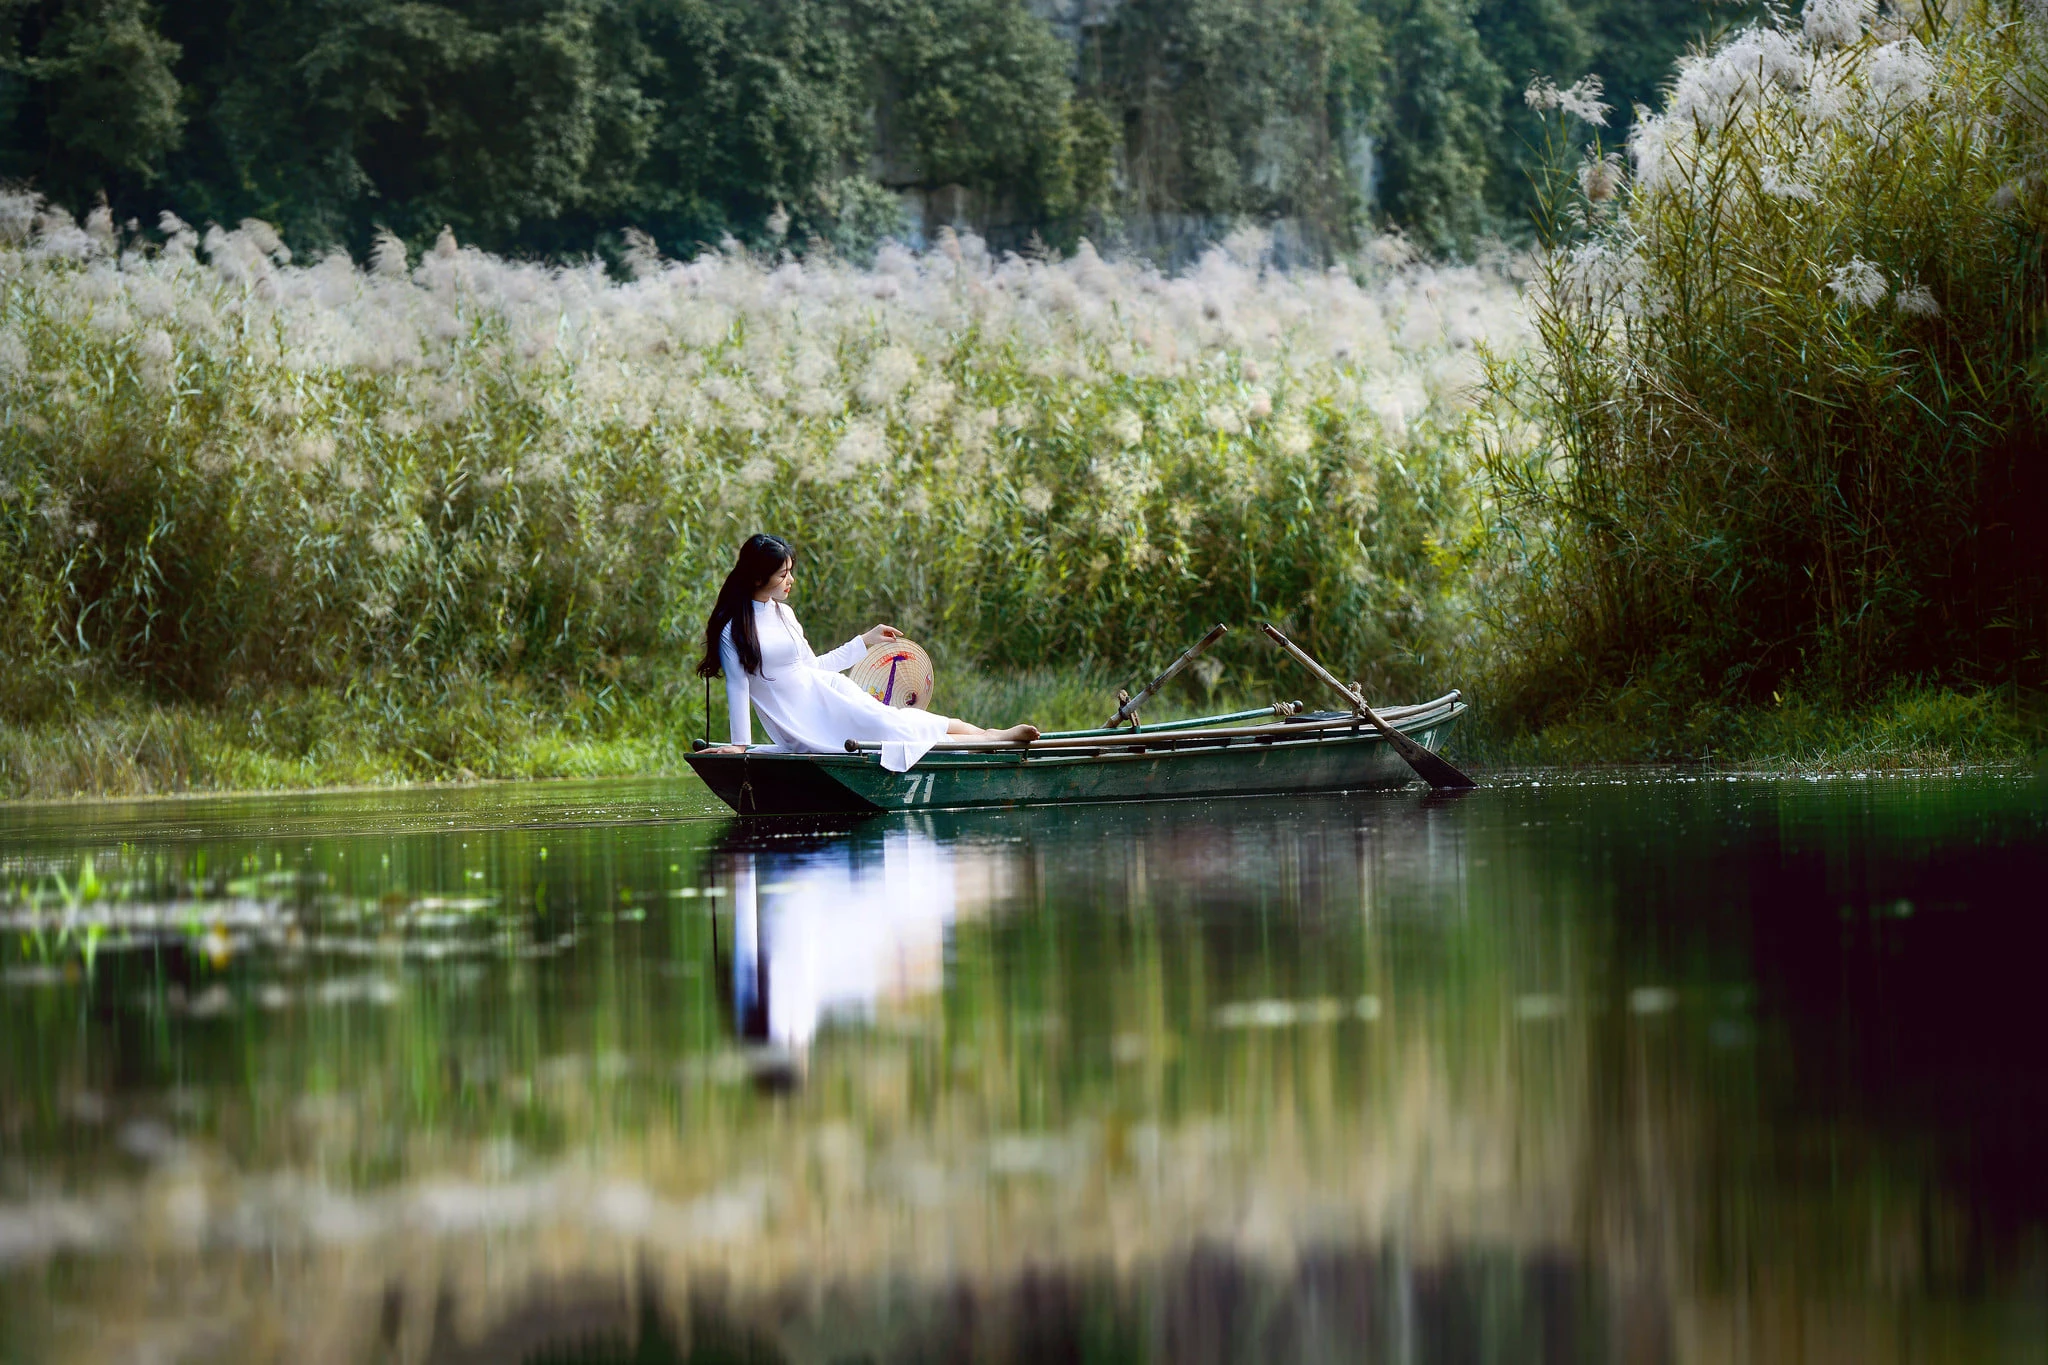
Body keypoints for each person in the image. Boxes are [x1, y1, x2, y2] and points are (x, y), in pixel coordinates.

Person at [697, 534, 1039, 772]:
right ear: (758, 578)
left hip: (829, 693)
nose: (791, 581)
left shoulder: (783, 614)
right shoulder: (734, 631)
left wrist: (864, 641)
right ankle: (989, 740)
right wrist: (740, 745)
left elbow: (812, 668)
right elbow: (738, 688)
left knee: (900, 721)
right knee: (892, 730)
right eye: (783, 574)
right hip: (806, 722)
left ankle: (990, 736)